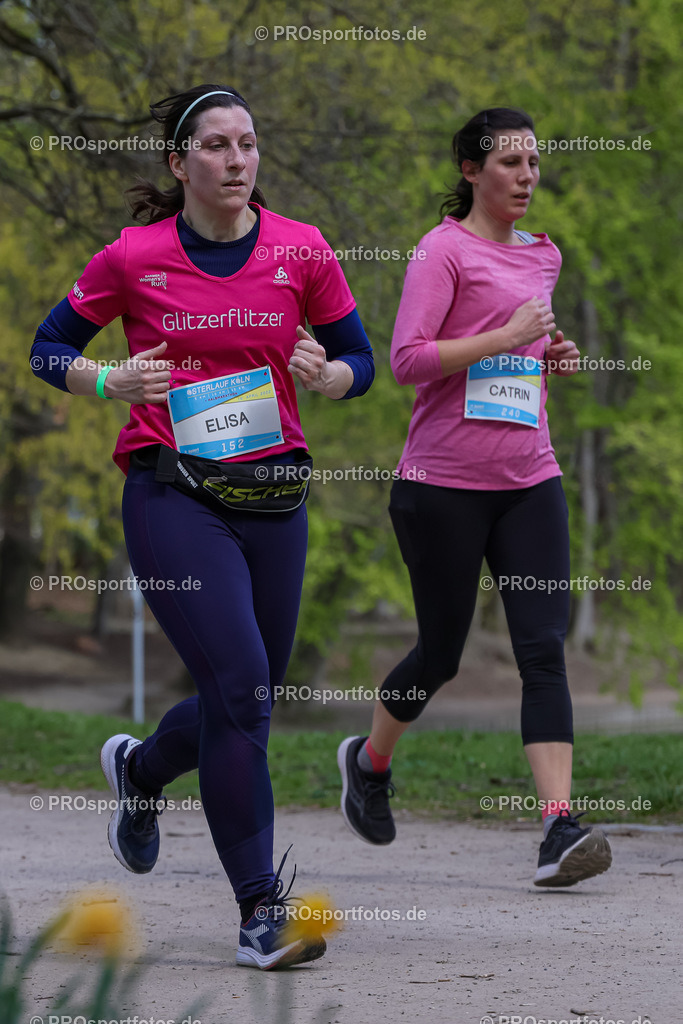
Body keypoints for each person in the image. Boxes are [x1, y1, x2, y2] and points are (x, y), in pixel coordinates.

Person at [31, 84, 374, 968]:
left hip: (275, 496)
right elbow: (48, 348)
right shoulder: (132, 256)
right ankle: (261, 912)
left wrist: (331, 377)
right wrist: (108, 382)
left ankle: (141, 771)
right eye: (217, 145)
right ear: (179, 163)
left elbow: (360, 358)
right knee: (243, 685)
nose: (237, 159)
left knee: (246, 699)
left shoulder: (302, 248)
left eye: (247, 144)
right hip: (171, 493)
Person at [337, 107, 612, 888]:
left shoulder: (543, 255)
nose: (526, 176)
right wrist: (506, 337)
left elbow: (518, 350)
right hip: (441, 487)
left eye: (533, 162)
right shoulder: (441, 250)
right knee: (441, 655)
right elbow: (406, 360)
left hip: (529, 479)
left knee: (542, 650)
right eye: (509, 163)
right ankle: (369, 761)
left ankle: (557, 828)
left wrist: (547, 355)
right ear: (470, 170)